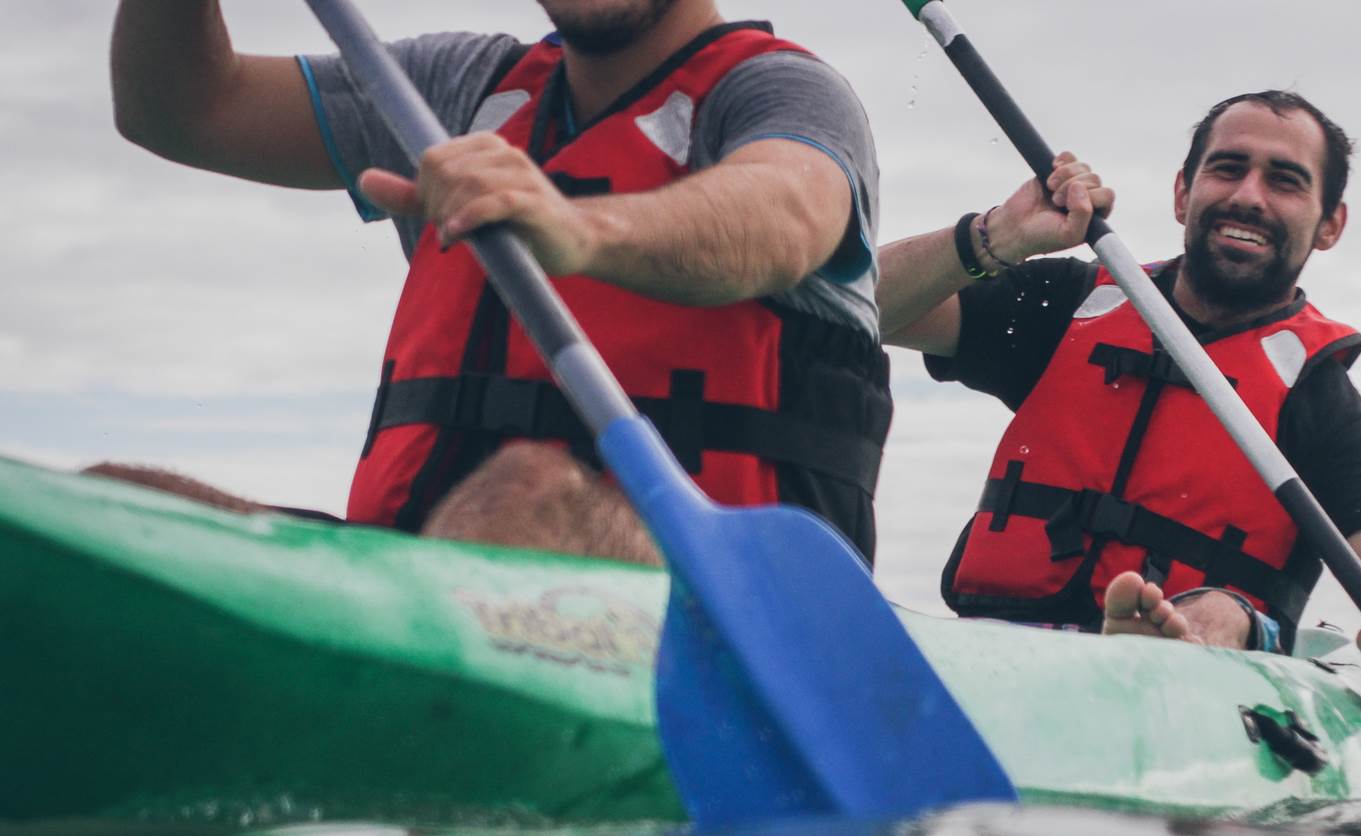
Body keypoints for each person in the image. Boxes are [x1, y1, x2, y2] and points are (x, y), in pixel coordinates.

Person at [102, 0, 891, 564]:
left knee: (524, 493)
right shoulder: (453, 92)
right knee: (122, 510)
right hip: (418, 573)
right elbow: (182, 109)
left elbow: (787, 215)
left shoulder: (781, 92)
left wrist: (581, 227)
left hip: (730, 580)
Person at [876, 91, 1361, 693]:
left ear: (1330, 225)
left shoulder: (1321, 404)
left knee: (1222, 611)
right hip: (1006, 649)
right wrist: (994, 237)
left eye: (1285, 181)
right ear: (1183, 193)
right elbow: (852, 306)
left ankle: (1183, 637)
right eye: (1228, 168)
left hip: (1210, 689)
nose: (1247, 196)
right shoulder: (1065, 306)